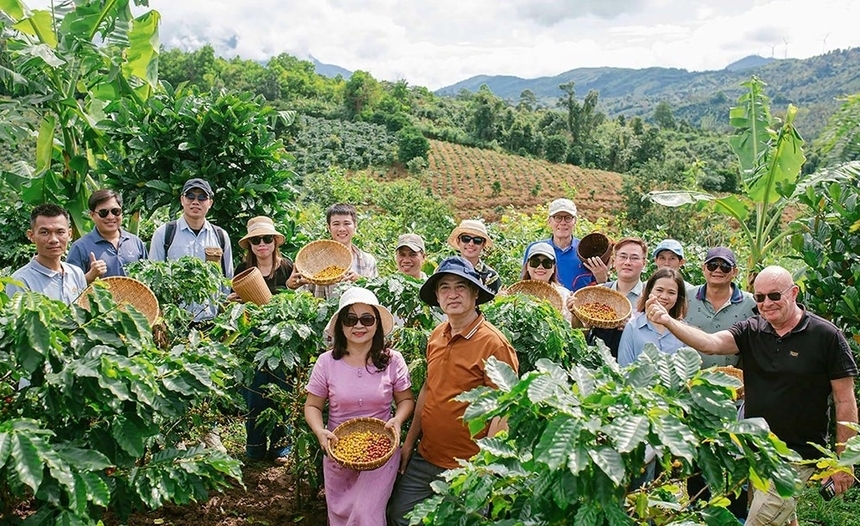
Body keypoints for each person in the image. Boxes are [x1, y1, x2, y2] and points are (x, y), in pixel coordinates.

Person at [645, 265, 858, 525]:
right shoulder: (752, 329)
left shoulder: (825, 336)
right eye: (759, 297)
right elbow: (711, 344)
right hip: (756, 450)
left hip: (796, 455)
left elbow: (845, 399)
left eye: (774, 296)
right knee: (780, 518)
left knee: (760, 519)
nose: (766, 303)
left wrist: (844, 460)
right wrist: (669, 321)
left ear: (793, 293)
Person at [387, 256, 519, 525]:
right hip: (426, 456)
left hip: (468, 466)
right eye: (445, 288)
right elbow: (429, 389)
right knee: (401, 516)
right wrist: (409, 443)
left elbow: (504, 409)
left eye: (461, 287)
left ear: (475, 293)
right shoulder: (437, 334)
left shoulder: (493, 344)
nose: (452, 294)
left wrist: (484, 468)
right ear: (437, 297)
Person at [304, 287, 414, 526]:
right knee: (340, 514)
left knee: (366, 513)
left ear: (377, 324)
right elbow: (312, 405)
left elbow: (406, 400)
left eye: (367, 319)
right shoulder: (326, 363)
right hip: (338, 450)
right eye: (350, 319)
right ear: (341, 326)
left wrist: (397, 420)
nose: (359, 326)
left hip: (382, 452)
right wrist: (320, 431)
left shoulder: (393, 360)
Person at [230, 216, 301, 463]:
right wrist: (234, 303)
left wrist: (289, 289)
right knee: (254, 393)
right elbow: (236, 307)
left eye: (267, 239)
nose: (262, 244)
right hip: (253, 341)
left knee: (282, 391)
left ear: (275, 242)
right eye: (256, 240)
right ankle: (255, 446)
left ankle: (282, 447)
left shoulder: (287, 268)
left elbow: (297, 305)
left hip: (282, 343)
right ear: (250, 245)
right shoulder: (243, 270)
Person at [148, 178, 234, 322]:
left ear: (210, 203)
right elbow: (154, 278)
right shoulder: (164, 233)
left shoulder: (220, 236)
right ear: (182, 200)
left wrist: (223, 314)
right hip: (175, 321)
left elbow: (227, 280)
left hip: (211, 321)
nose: (195, 202)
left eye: (202, 197)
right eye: (190, 196)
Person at [684, 247, 756, 369]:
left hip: (732, 378)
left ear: (735, 272)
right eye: (712, 265)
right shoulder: (686, 297)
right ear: (703, 268)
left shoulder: (751, 303)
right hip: (689, 376)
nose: (718, 270)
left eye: (725, 266)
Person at [579, 237, 647, 358]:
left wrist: (633, 327)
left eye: (634, 258)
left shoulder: (648, 298)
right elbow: (582, 335)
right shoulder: (598, 292)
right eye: (623, 256)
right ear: (614, 261)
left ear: (644, 263)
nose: (627, 262)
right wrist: (577, 316)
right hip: (598, 362)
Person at [5, 204, 86, 304]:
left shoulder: (76, 273)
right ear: (31, 236)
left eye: (60, 232)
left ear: (69, 234)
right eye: (45, 232)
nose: (53, 240)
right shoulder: (20, 281)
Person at [524, 198, 608, 292]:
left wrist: (602, 279)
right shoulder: (536, 250)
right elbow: (525, 283)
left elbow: (600, 290)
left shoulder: (586, 251)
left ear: (575, 221)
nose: (563, 222)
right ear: (549, 221)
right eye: (557, 217)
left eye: (568, 218)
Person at [67, 189, 148, 284]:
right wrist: (90, 277)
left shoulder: (136, 242)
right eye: (103, 212)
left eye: (115, 211)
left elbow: (147, 278)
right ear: (92, 215)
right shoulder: (80, 247)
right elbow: (70, 287)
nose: (110, 217)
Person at [301, 203, 378, 299]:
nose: (341, 229)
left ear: (355, 226)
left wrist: (360, 280)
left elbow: (375, 295)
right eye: (336, 224)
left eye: (347, 223)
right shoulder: (315, 261)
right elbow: (305, 295)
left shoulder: (368, 261)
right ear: (329, 227)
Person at [617, 267, 688, 366]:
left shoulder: (683, 329)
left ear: (678, 297)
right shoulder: (632, 327)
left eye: (671, 292)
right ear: (650, 291)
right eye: (659, 290)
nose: (664, 296)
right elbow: (624, 366)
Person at [519, 242, 571, 322]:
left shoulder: (564, 295)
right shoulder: (517, 294)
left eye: (546, 263)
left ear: (553, 268)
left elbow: (572, 327)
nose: (540, 267)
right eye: (535, 262)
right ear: (527, 266)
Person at [447, 219, 501, 293]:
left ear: (483, 244)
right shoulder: (446, 270)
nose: (471, 244)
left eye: (477, 240)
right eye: (466, 239)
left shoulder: (491, 276)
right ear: (458, 241)